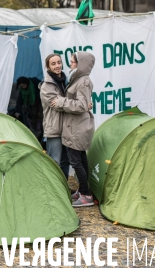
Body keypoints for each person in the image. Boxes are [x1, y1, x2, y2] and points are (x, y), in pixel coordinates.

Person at [52, 51, 95, 207]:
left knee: (76, 162)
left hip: (78, 128)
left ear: (81, 63)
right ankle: (83, 190)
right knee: (81, 161)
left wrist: (62, 102)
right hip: (75, 126)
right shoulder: (78, 79)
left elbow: (82, 105)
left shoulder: (83, 81)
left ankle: (86, 195)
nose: (70, 62)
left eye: (74, 60)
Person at [40, 53, 70, 177]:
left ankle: (63, 190)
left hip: (67, 128)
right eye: (53, 64)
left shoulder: (66, 81)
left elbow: (66, 102)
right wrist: (70, 103)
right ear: (48, 67)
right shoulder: (46, 86)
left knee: (66, 161)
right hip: (53, 129)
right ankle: (53, 193)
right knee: (54, 163)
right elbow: (57, 105)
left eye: (59, 62)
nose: (57, 66)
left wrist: (63, 101)